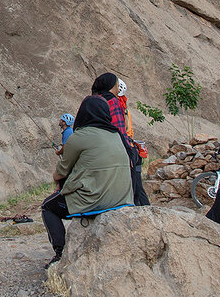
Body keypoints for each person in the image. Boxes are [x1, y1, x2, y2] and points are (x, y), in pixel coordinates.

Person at [41, 93, 133, 265]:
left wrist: (57, 181)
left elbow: (61, 172)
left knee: (48, 206)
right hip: (123, 198)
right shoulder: (117, 135)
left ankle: (60, 255)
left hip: (94, 200)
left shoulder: (79, 136)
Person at [92, 73, 150, 207]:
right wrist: (129, 152)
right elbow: (120, 130)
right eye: (116, 86)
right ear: (111, 87)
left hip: (97, 152)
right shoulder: (113, 103)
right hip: (117, 150)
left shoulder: (92, 101)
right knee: (132, 186)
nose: (118, 89)